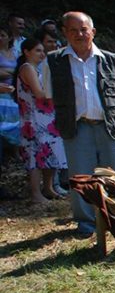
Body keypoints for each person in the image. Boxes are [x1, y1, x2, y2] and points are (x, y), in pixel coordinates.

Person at [48, 11, 115, 237]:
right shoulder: (54, 61)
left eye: (84, 29)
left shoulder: (110, 59)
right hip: (77, 126)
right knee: (80, 177)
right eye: (73, 30)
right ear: (65, 33)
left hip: (110, 124)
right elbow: (48, 94)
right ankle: (86, 222)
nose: (79, 34)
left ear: (93, 32)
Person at [15, 38, 67, 203]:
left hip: (46, 118)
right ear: (26, 51)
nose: (42, 54)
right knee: (35, 155)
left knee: (51, 152)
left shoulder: (38, 69)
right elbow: (39, 93)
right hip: (34, 118)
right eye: (37, 50)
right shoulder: (27, 68)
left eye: (43, 51)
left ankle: (49, 188)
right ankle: (36, 193)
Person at [0, 28, 21, 153]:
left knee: (16, 121)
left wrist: (9, 73)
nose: (0, 38)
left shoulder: (15, 52)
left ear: (9, 37)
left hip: (13, 91)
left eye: (2, 35)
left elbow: (21, 69)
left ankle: (16, 152)